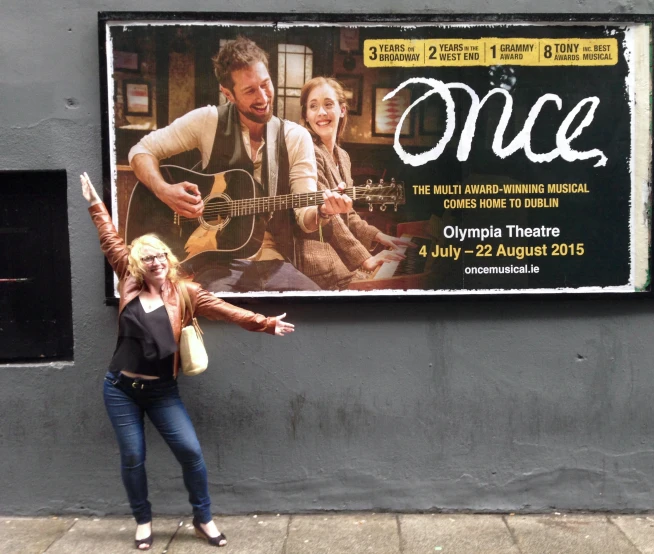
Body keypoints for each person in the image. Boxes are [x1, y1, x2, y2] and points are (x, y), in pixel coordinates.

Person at [80, 172, 294, 550]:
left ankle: (203, 518)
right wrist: (95, 204)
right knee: (133, 456)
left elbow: (225, 309)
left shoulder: (187, 292)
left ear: (169, 258)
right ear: (137, 263)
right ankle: (143, 521)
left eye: (160, 255)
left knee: (191, 453)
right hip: (120, 388)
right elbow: (110, 238)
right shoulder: (128, 280)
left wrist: (264, 324)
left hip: (162, 391)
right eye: (147, 257)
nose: (156, 261)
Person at [128, 37, 353, 292]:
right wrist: (163, 190)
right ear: (228, 94)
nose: (263, 97)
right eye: (250, 91)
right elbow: (141, 150)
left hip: (275, 262)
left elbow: (306, 218)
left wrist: (323, 211)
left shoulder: (294, 137)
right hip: (214, 263)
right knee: (218, 317)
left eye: (265, 84)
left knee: (317, 314)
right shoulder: (208, 121)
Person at [296, 76, 415, 289]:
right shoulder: (308, 153)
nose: (321, 112)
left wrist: (379, 235)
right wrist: (364, 259)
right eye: (313, 106)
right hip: (318, 260)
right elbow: (331, 216)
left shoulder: (343, 156)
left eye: (328, 104)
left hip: (341, 256)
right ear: (306, 114)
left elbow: (347, 214)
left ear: (342, 110)